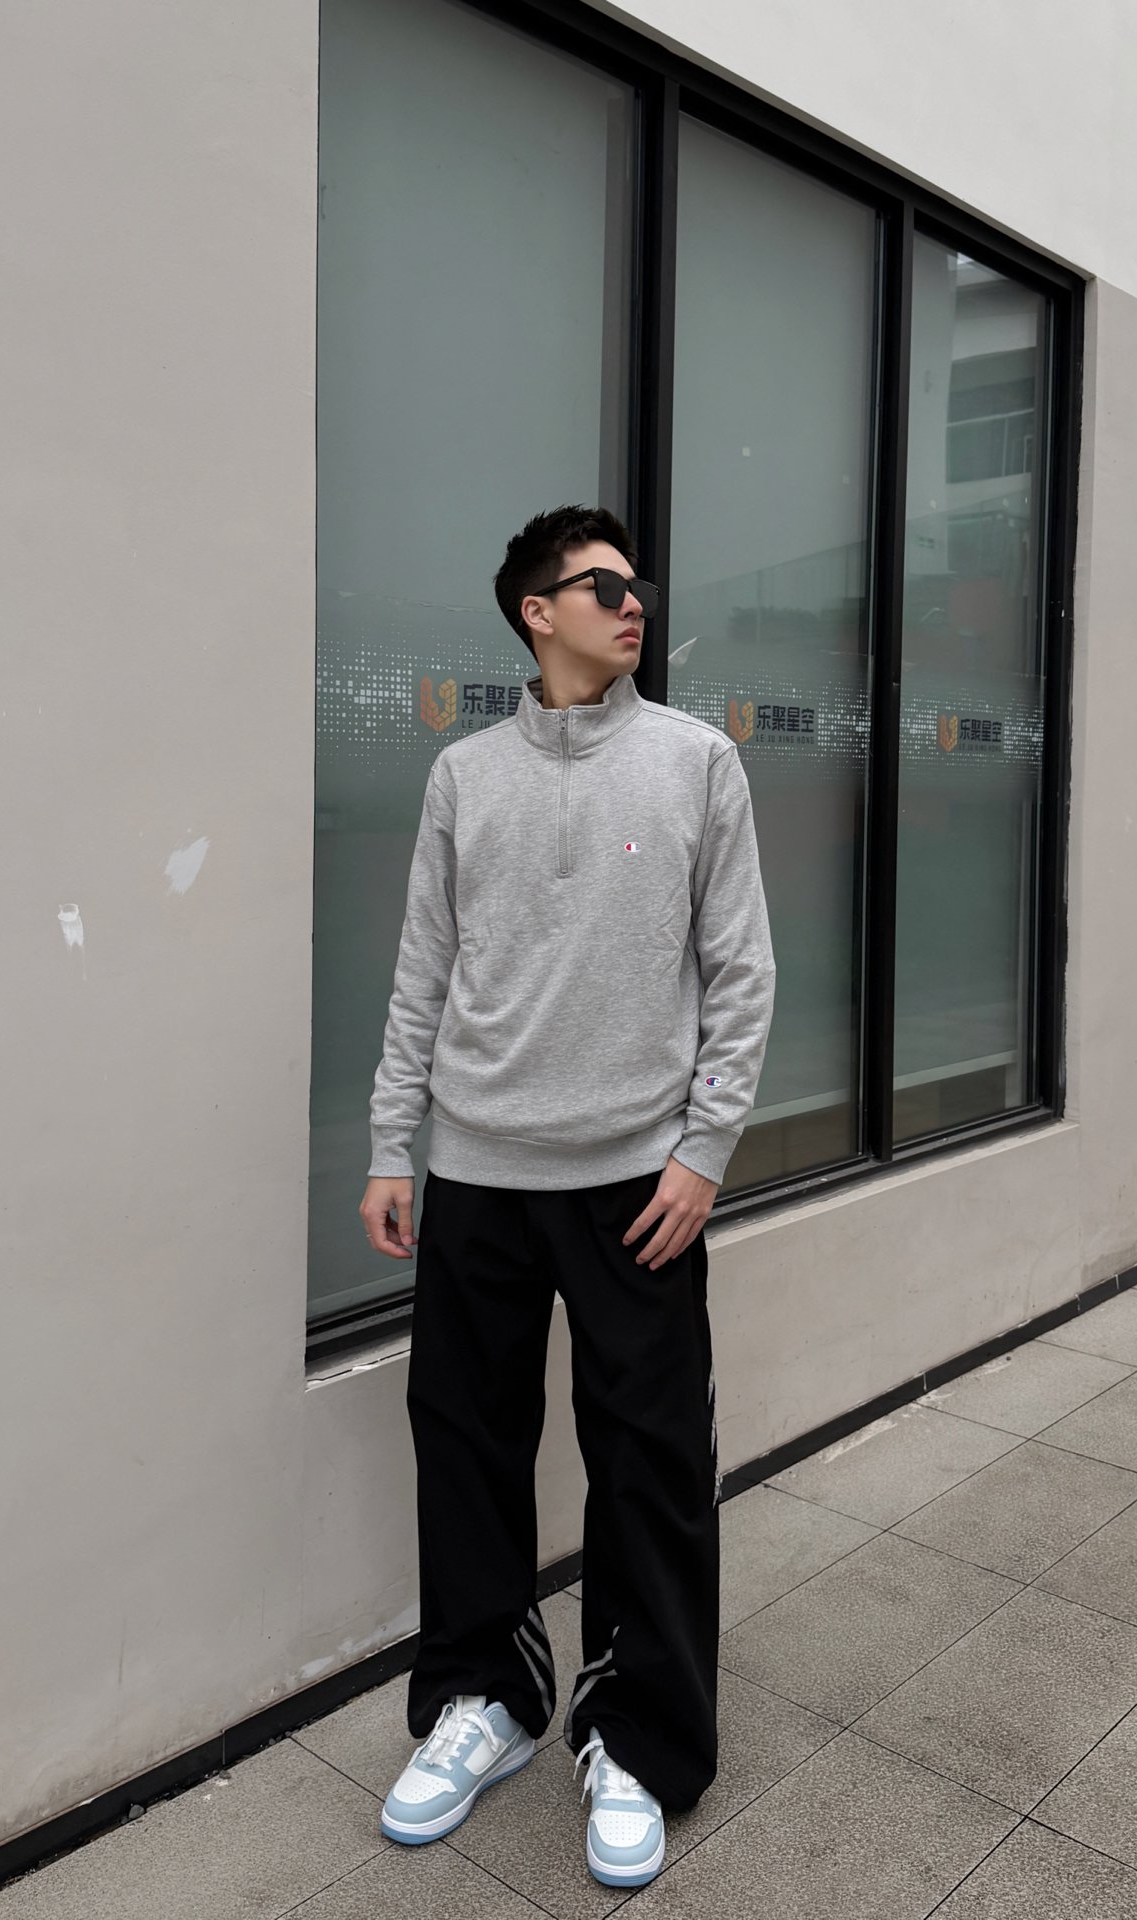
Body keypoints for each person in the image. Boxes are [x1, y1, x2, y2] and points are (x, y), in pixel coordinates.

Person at [359, 504, 774, 1889]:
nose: (632, 600)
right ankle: (485, 1697)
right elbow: (424, 969)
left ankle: (638, 1734)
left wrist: (704, 1150)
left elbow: (741, 970)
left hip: (636, 1182)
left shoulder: (697, 762)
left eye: (635, 581)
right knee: (467, 1449)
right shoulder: (464, 775)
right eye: (601, 585)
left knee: (649, 1463)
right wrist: (392, 1145)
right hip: (476, 1173)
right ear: (536, 612)